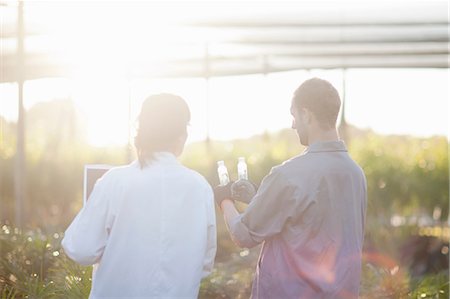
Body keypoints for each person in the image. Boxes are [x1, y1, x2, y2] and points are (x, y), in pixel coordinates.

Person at [215, 78, 367, 299]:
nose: (293, 124)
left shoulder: (288, 174)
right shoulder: (355, 173)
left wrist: (223, 198)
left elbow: (243, 235)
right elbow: (311, 221)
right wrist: (261, 198)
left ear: (306, 114)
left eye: (294, 115)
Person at [62, 93, 216, 299]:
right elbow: (204, 264)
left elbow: (81, 249)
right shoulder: (201, 187)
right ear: (182, 136)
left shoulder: (114, 181)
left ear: (140, 133)